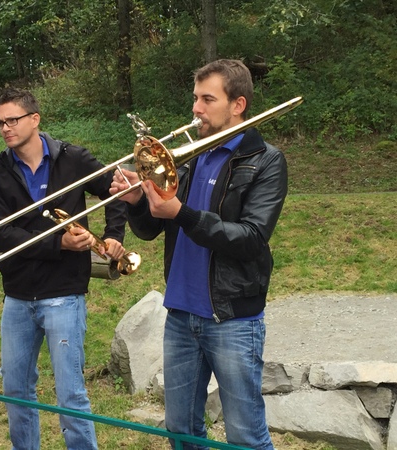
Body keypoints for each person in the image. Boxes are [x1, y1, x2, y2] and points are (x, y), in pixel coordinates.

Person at [110, 59, 285, 450]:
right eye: (195, 98)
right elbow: (151, 229)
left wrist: (182, 213)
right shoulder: (186, 157)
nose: (196, 109)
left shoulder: (266, 161)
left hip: (232, 318)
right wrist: (137, 202)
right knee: (181, 430)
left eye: (207, 99)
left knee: (245, 435)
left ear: (237, 104)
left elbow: (251, 238)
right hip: (180, 315)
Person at [0, 87, 127, 449]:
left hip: (64, 293)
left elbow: (116, 186)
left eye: (12, 120)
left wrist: (113, 235)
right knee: (15, 392)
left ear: (35, 119)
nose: (5, 128)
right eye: (0, 122)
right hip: (17, 296)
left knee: (70, 395)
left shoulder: (73, 158)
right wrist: (57, 243)